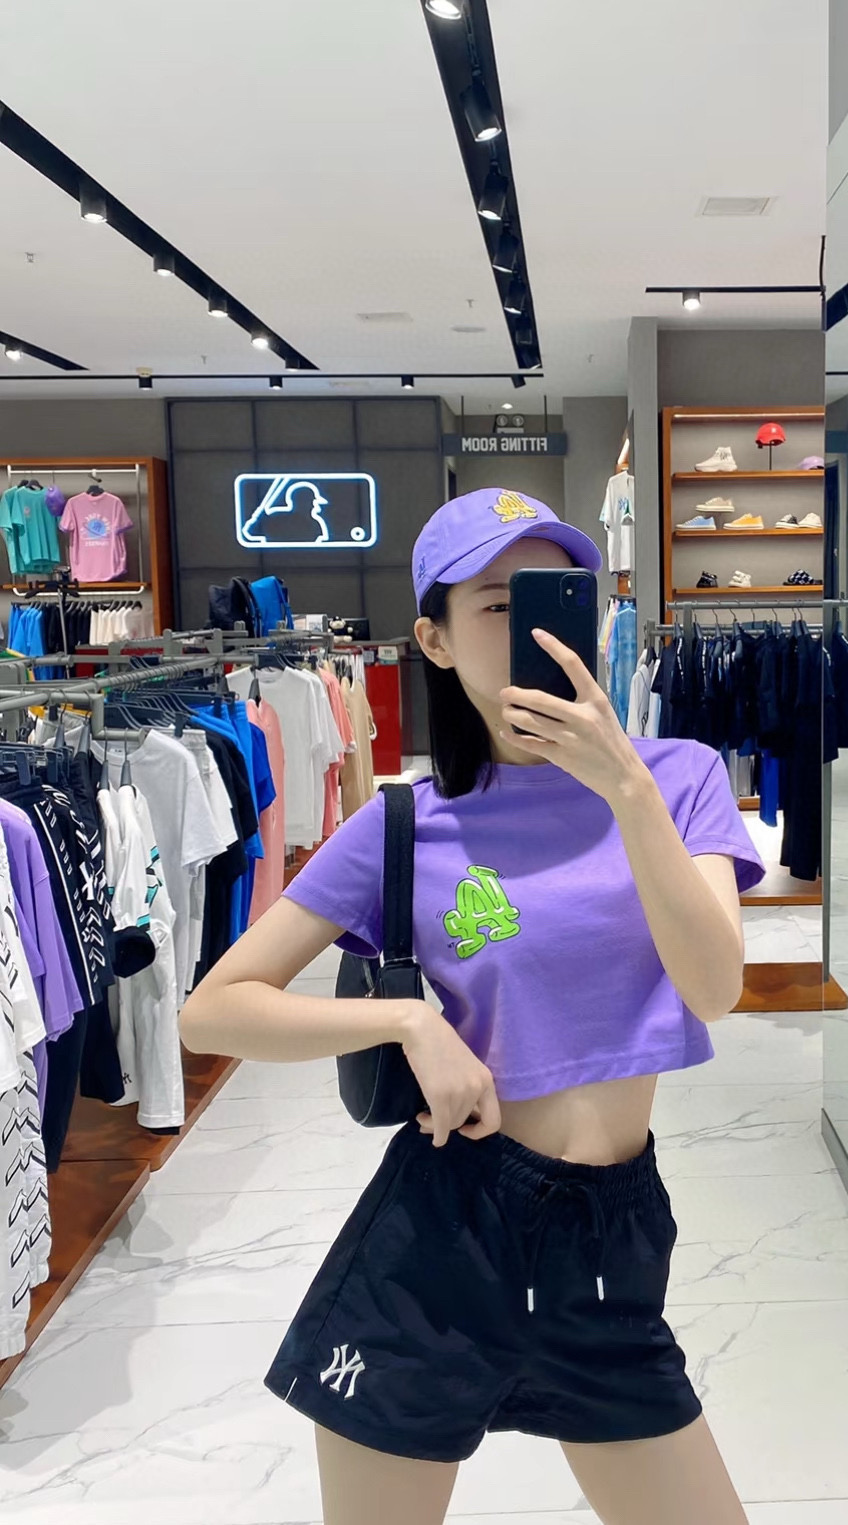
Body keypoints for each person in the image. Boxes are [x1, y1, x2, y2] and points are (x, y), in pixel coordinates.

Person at [181, 487, 767, 1525]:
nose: (534, 627)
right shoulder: (406, 823)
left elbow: (714, 987)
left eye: (559, 596)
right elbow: (213, 1010)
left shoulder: (676, 780)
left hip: (609, 1238)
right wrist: (407, 1021)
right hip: (442, 1234)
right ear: (436, 641)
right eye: (498, 603)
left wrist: (626, 787)